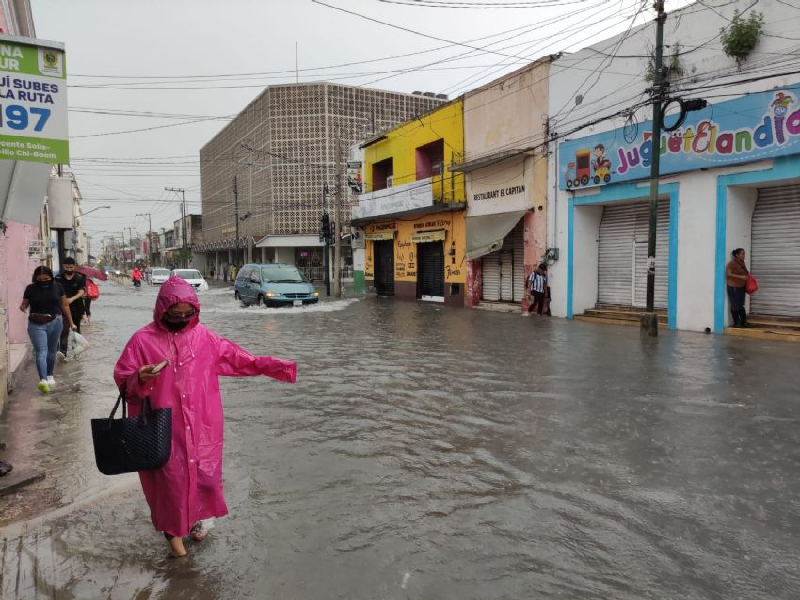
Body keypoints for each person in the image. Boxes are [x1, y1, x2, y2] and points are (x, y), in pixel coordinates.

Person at [113, 276, 297, 558]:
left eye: (188, 314)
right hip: (162, 428)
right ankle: (177, 550)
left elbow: (240, 360)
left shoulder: (205, 339)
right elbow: (124, 382)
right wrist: (139, 377)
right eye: (176, 314)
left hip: (203, 425)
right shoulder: (142, 341)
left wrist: (276, 367)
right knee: (171, 485)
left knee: (205, 480)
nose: (182, 319)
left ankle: (198, 517)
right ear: (163, 310)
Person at [20, 266, 76, 393]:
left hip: (55, 322)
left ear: (51, 277)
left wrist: (72, 323)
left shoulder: (58, 287)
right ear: (35, 278)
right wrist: (23, 306)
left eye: (46, 278)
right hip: (36, 323)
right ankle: (43, 380)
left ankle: (50, 375)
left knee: (52, 350)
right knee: (41, 351)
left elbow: (65, 305)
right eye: (40, 279)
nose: (43, 281)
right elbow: (25, 303)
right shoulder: (30, 288)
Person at [56, 257, 86, 356]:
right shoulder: (58, 278)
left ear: (74, 266)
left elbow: (82, 291)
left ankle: (75, 352)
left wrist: (73, 298)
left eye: (71, 267)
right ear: (63, 266)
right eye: (67, 267)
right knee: (63, 330)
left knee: (76, 330)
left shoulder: (80, 277)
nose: (69, 269)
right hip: (62, 308)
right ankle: (62, 353)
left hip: (77, 307)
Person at [726, 247, 750, 327]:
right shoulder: (732, 263)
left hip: (741, 287)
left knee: (741, 306)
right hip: (733, 287)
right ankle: (736, 323)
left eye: (744, 254)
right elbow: (728, 274)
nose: (744, 255)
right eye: (742, 254)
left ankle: (744, 322)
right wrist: (741, 277)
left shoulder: (742, 263)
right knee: (735, 306)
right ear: (737, 255)